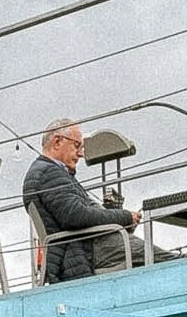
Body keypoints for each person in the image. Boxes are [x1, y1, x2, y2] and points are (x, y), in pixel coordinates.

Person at [22, 120, 140, 283]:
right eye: (77, 145)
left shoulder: (50, 172)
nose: (81, 153)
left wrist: (118, 216)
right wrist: (125, 217)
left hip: (77, 254)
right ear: (57, 142)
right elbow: (76, 215)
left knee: (151, 256)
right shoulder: (49, 172)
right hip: (84, 252)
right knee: (160, 257)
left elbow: (82, 212)